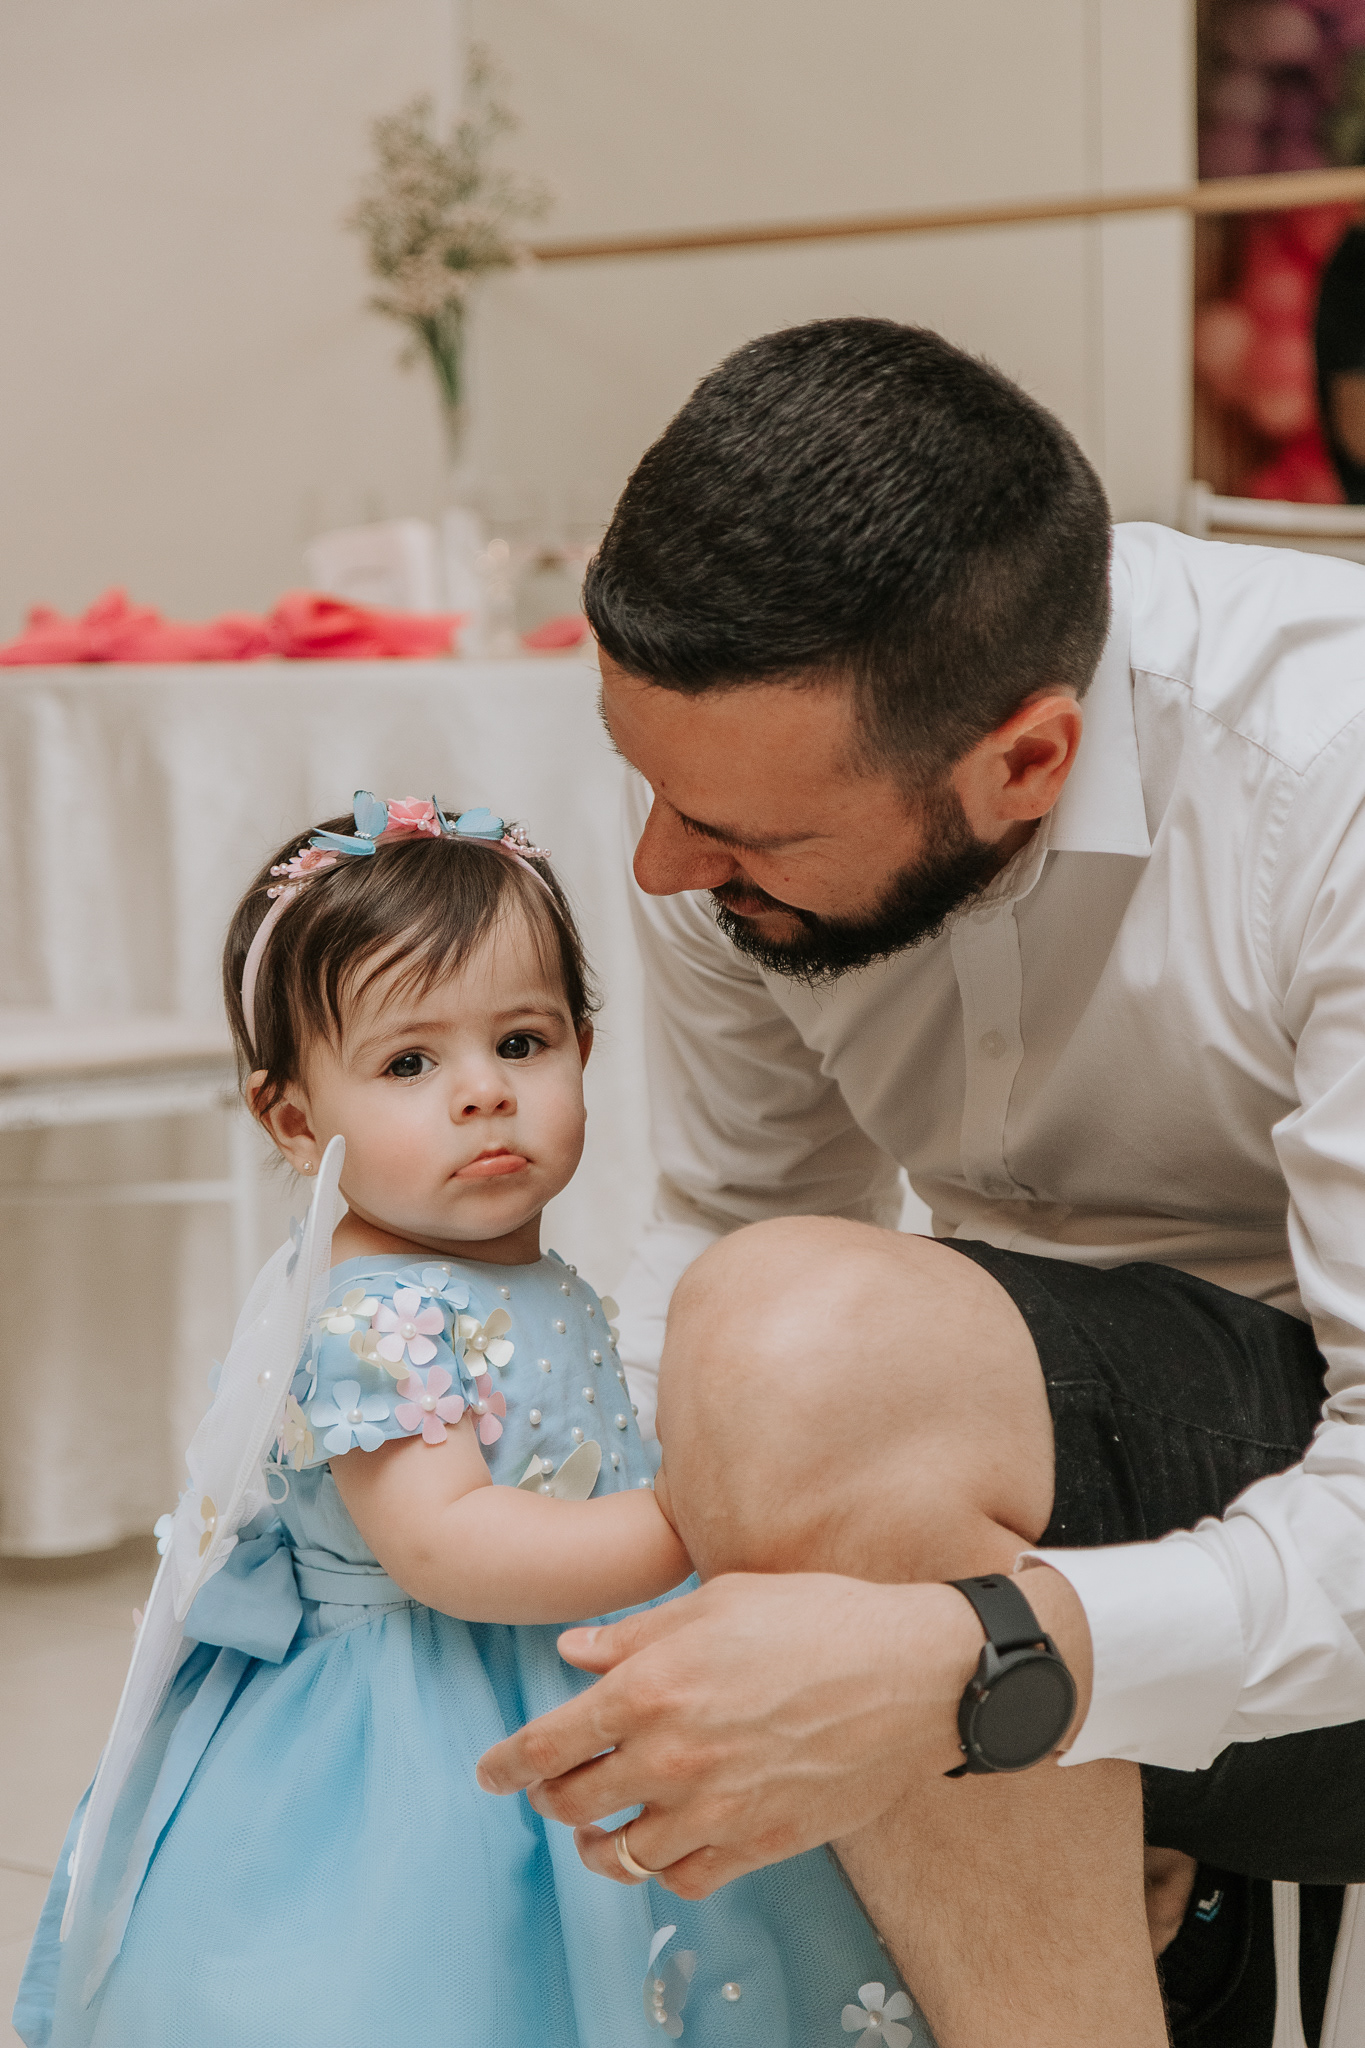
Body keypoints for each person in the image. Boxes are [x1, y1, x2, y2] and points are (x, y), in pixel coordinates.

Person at [475, 319, 1365, 2048]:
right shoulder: (730, 819)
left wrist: (989, 1658)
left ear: (1026, 759)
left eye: (742, 835)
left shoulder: (1326, 776)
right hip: (1056, 1485)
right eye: (651, 789)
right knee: (775, 1336)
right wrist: (508, 1537)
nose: (658, 866)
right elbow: (731, 1230)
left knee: (815, 1352)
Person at [15, 793, 912, 2048]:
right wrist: (691, 1516)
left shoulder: (510, 1274)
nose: (483, 1092)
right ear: (294, 1120)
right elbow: (452, 1546)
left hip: (572, 1652)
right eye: (408, 1064)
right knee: (475, 1979)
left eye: (522, 1041)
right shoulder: (375, 1316)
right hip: (433, 1720)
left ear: (585, 1050)